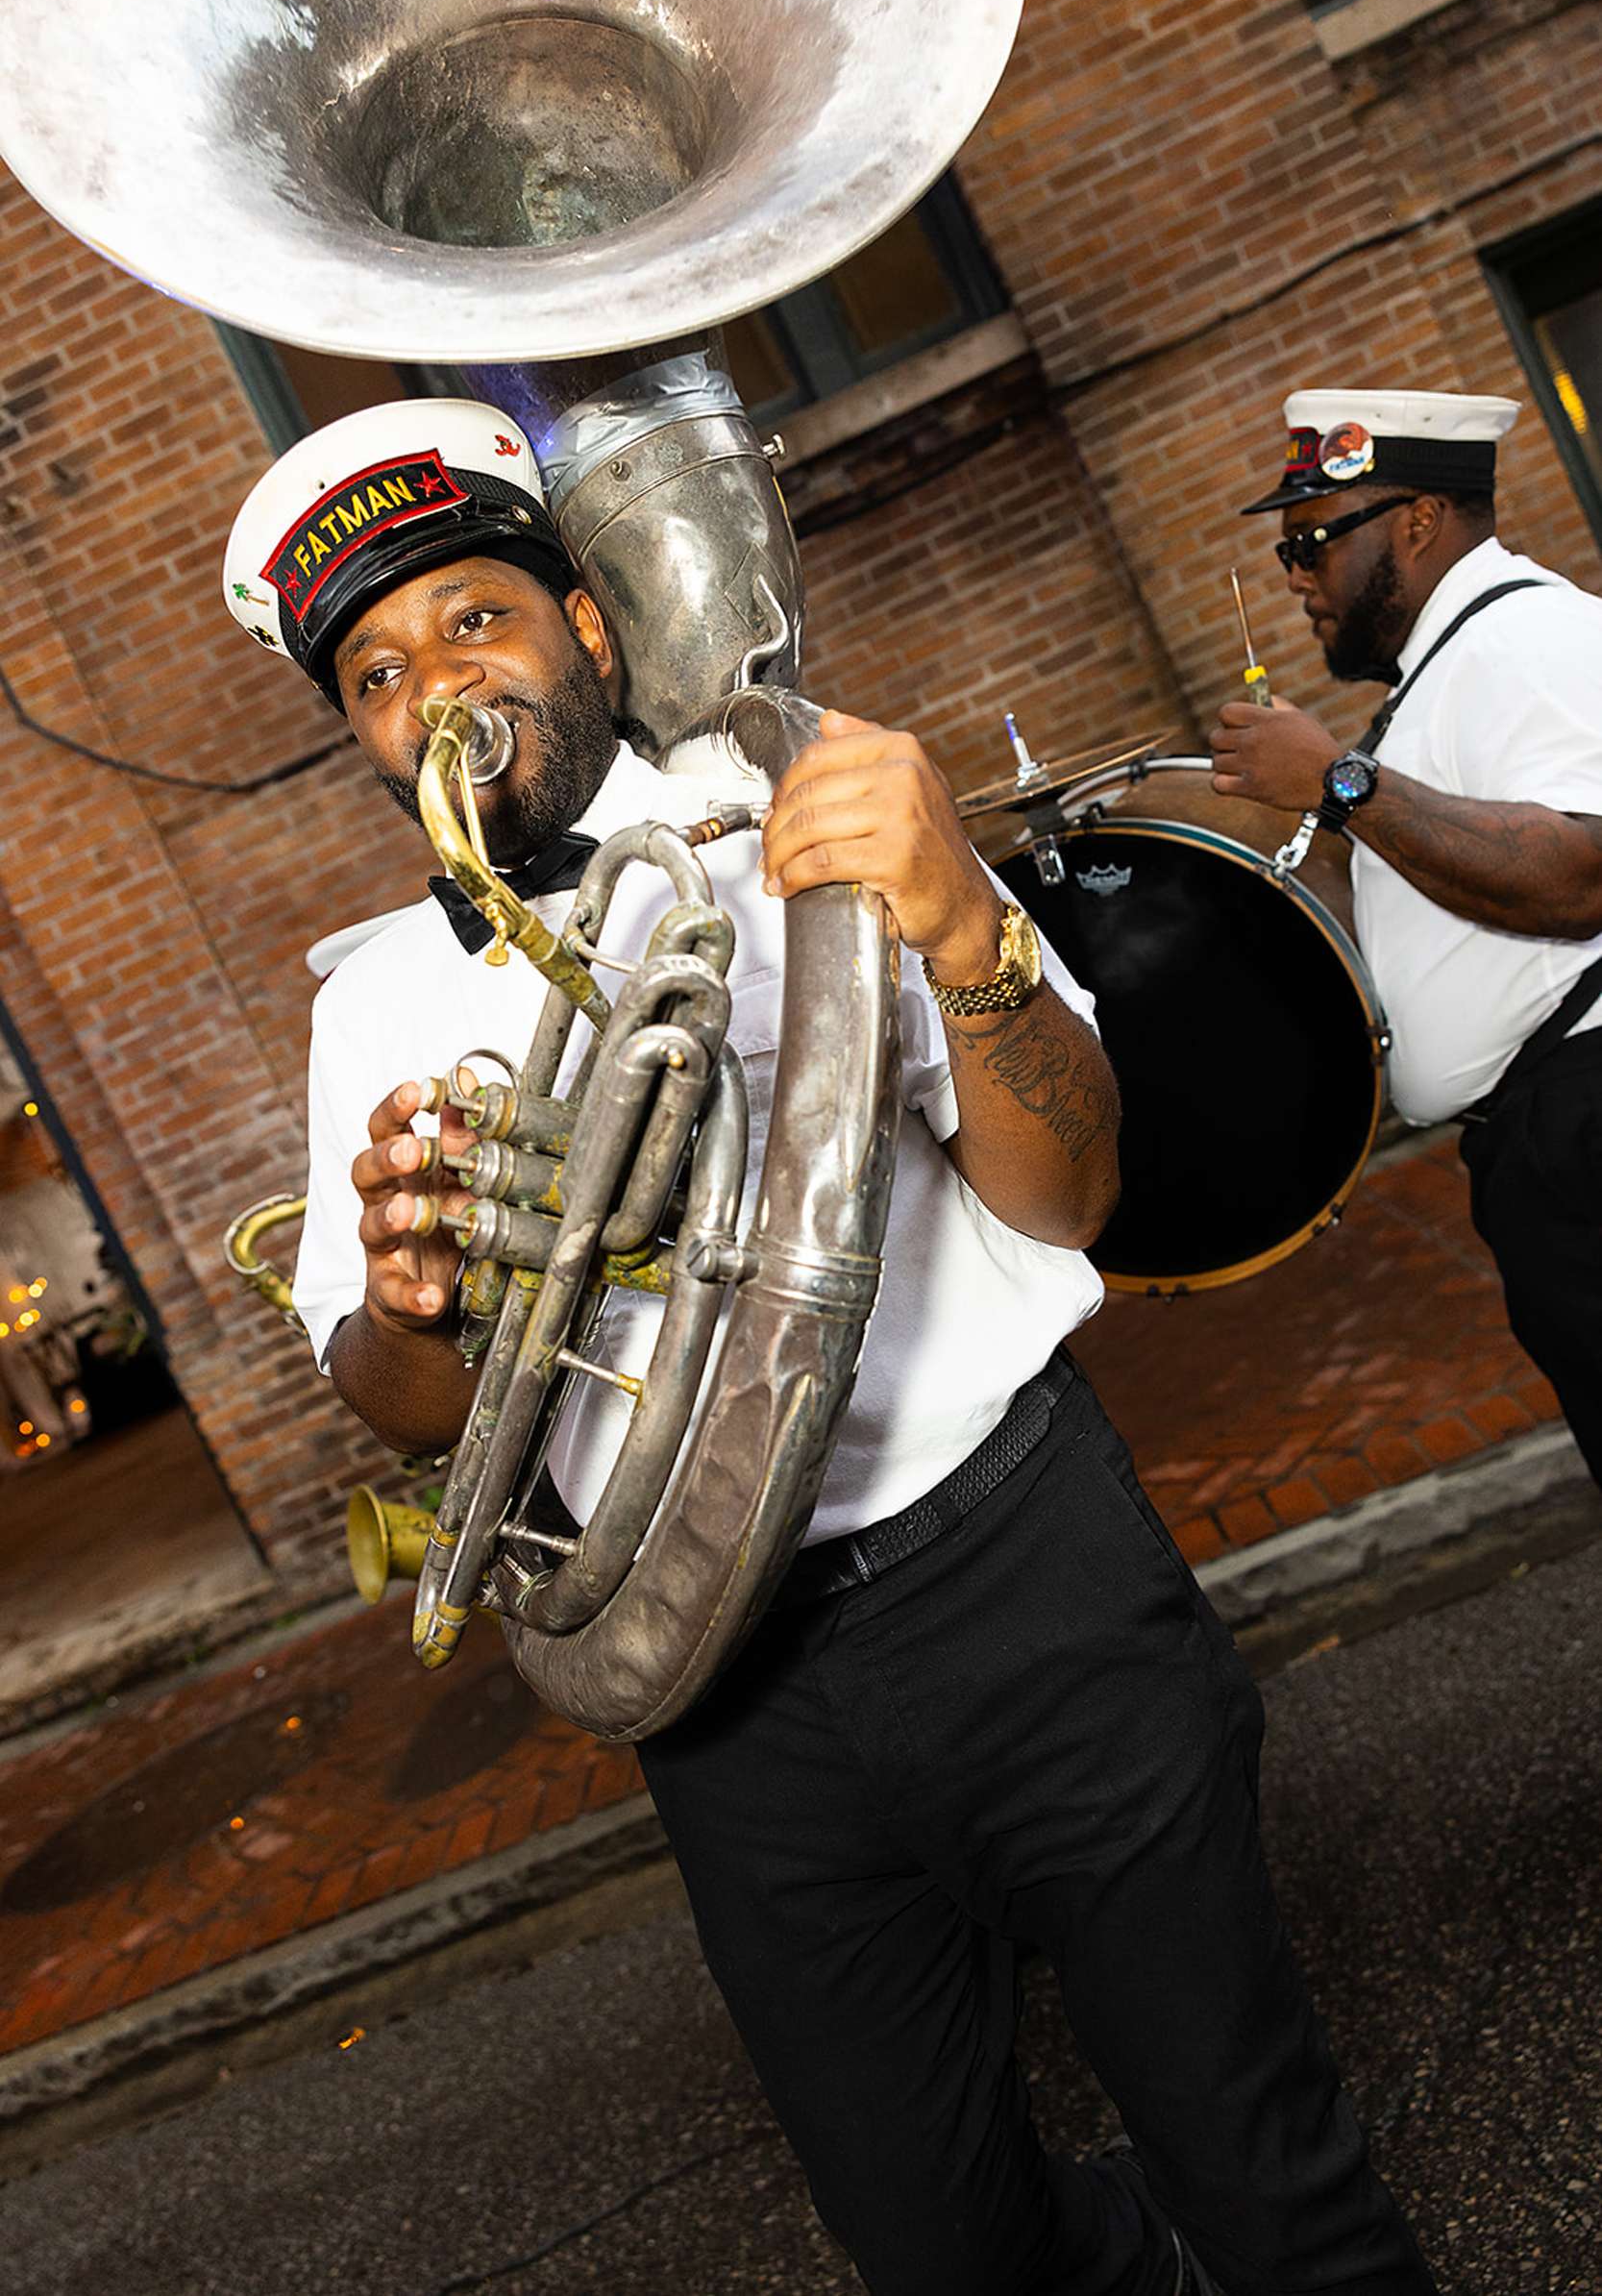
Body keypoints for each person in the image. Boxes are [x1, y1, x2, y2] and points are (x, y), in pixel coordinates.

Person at [227, 395, 1438, 2296]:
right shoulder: (371, 1005)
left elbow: (1071, 1189)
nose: (434, 688)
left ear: (585, 624)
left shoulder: (817, 813)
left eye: (471, 620)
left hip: (1019, 1578)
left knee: (1265, 2172)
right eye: (374, 675)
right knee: (936, 2245)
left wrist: (960, 925)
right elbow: (404, 1414)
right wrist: (407, 1304)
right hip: (720, 1685)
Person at [1213, 387, 1602, 1487]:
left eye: (1311, 542)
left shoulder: (1522, 636)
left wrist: (1338, 781)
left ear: (1418, 520)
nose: (1294, 577)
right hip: (1545, 1149)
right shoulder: (1444, 671)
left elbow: (1579, 873)